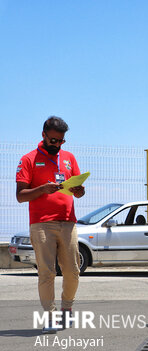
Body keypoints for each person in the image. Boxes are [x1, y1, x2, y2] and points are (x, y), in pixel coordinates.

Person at [15, 116, 85, 333]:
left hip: (68, 221)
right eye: (53, 140)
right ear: (43, 135)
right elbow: (20, 195)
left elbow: (78, 189)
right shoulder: (28, 159)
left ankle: (67, 309)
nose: (57, 145)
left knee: (73, 271)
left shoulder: (69, 158)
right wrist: (42, 190)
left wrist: (79, 191)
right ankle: (51, 316)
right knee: (47, 272)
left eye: (61, 141)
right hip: (42, 224)